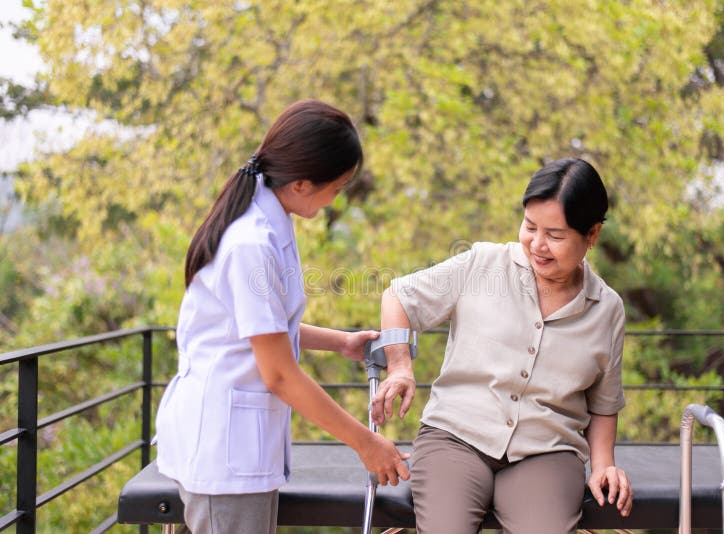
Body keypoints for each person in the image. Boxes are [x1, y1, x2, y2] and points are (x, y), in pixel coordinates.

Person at [154, 99, 410, 534]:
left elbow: (260, 327)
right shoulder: (251, 242)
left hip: (237, 446)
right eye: (338, 186)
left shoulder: (271, 220)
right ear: (304, 183)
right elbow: (280, 375)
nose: (337, 199)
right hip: (224, 453)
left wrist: (339, 341)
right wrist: (364, 443)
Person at [372, 157, 633, 533]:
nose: (538, 244)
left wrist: (603, 464)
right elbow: (398, 297)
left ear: (591, 234)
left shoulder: (607, 309)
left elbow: (604, 403)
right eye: (530, 227)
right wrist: (399, 366)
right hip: (454, 438)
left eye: (555, 235)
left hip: (547, 453)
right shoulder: (482, 264)